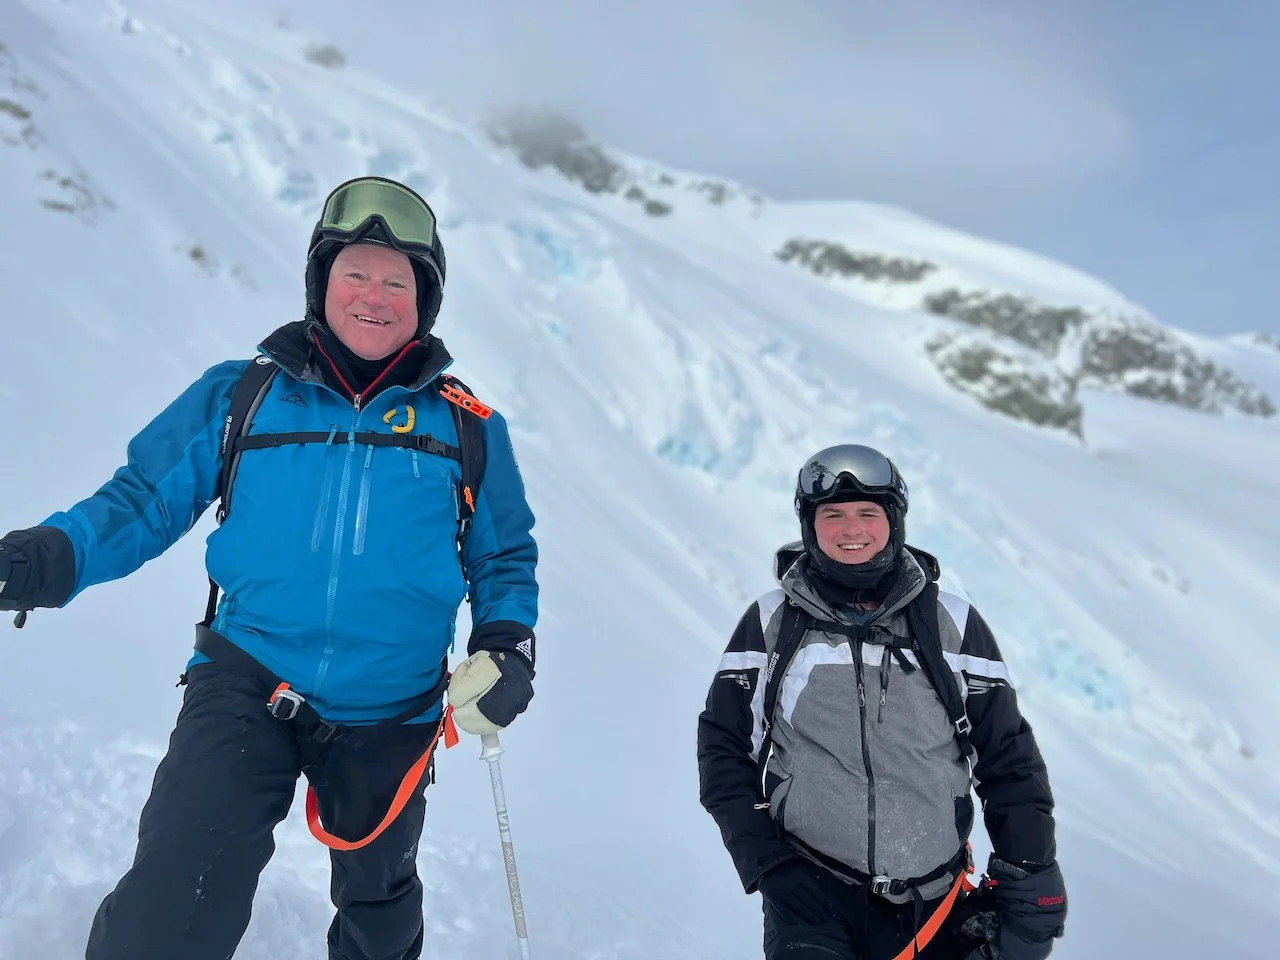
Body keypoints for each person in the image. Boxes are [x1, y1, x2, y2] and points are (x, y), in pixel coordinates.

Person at [0, 176, 539, 960]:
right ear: (321, 282)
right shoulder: (244, 394)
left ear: (424, 302)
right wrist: (48, 558)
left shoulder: (464, 426)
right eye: (355, 272)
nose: (374, 296)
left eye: (398, 281)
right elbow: (143, 500)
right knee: (175, 887)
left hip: (393, 707)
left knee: (379, 916)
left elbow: (503, 554)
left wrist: (507, 641)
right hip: (247, 680)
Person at [697, 444, 1066, 959]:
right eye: (834, 515)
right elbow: (722, 749)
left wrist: (1029, 873)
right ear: (809, 524)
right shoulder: (772, 622)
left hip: (937, 904)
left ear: (894, 521)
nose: (852, 530)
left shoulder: (952, 625)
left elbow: (1008, 758)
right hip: (813, 896)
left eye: (868, 513)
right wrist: (766, 862)